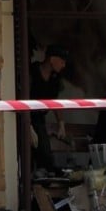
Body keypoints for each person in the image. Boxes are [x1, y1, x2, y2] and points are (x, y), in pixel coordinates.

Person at [29, 44, 69, 173]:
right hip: (26, 117)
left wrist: (61, 125)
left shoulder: (55, 78)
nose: (64, 65)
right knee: (33, 154)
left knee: (46, 156)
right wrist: (28, 126)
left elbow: (55, 102)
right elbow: (23, 99)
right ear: (52, 59)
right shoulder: (32, 72)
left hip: (40, 118)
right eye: (62, 61)